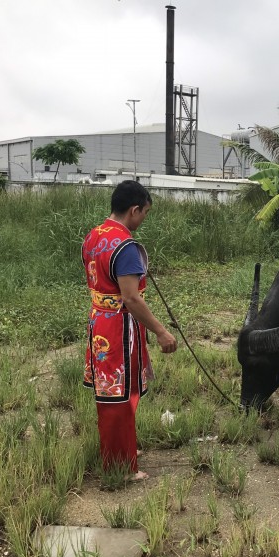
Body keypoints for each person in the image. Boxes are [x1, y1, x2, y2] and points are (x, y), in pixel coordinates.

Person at [82, 180, 177, 481]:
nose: (144, 219)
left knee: (116, 392)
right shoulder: (125, 247)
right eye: (145, 213)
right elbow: (131, 298)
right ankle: (120, 467)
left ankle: (123, 450)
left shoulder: (93, 236)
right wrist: (162, 331)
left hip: (99, 321)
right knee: (116, 396)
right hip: (118, 328)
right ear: (134, 209)